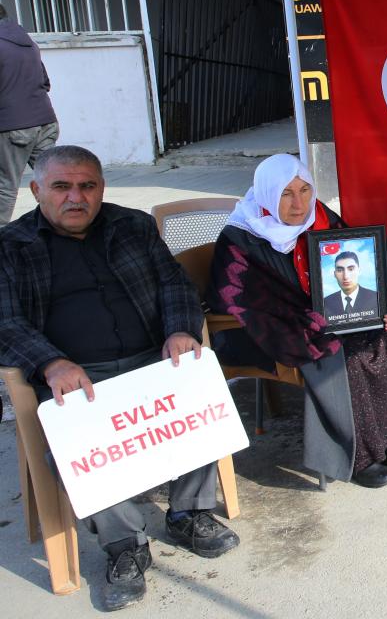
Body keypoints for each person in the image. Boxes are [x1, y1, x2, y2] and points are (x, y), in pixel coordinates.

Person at [0, 145, 237, 611]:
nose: (76, 197)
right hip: (75, 375)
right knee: (73, 446)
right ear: (36, 190)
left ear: (102, 188)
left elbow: (174, 284)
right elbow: (5, 322)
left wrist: (180, 330)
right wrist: (50, 362)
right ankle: (125, 543)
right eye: (62, 187)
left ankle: (189, 513)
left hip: (150, 356)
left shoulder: (133, 226)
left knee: (200, 393)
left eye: (87, 186)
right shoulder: (11, 246)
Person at [208, 154, 387, 489]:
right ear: (267, 194)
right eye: (286, 194)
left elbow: (358, 266)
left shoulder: (321, 217)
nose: (299, 204)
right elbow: (234, 297)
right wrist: (305, 318)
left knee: (382, 337)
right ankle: (358, 454)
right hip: (267, 331)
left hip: (330, 315)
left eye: (305, 190)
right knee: (343, 353)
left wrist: (381, 306)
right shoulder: (241, 237)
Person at [0, 3, 59, 225]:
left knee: (5, 186)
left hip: (14, 126)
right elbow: (45, 82)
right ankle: (71, 228)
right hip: (45, 121)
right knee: (56, 180)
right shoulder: (27, 42)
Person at [321, 251, 380, 318]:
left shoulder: (376, 298)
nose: (345, 276)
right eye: (340, 270)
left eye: (351, 269)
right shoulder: (325, 303)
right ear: (335, 274)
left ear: (359, 271)